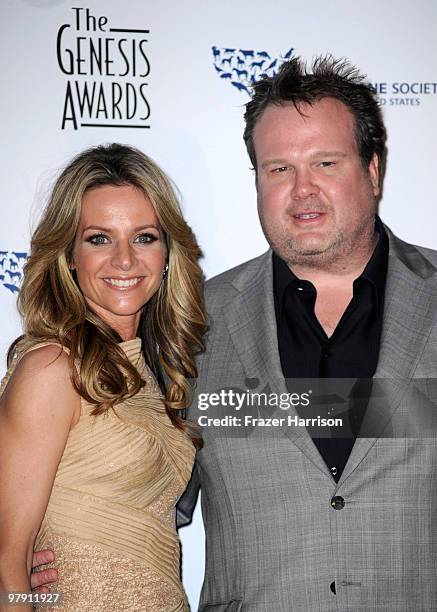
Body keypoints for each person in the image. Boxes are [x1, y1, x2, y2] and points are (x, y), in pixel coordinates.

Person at [32, 57, 437, 610]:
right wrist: (43, 552)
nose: (303, 191)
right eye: (278, 169)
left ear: (373, 169)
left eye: (325, 162)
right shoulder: (191, 323)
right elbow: (140, 487)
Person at [0, 143, 206, 611]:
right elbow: (6, 560)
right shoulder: (52, 368)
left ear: (169, 252)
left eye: (144, 237)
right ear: (69, 255)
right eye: (99, 238)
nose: (124, 260)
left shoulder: (157, 372)